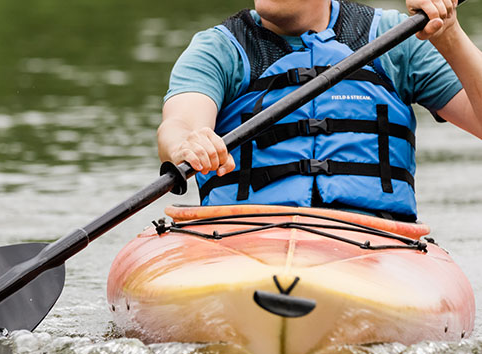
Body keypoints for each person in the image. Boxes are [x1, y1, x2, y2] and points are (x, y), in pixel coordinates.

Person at [157, 0, 482, 220]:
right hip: (241, 237)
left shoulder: (395, 39)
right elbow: (181, 122)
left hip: (377, 242)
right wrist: (188, 143)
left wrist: (449, 33)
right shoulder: (219, 49)